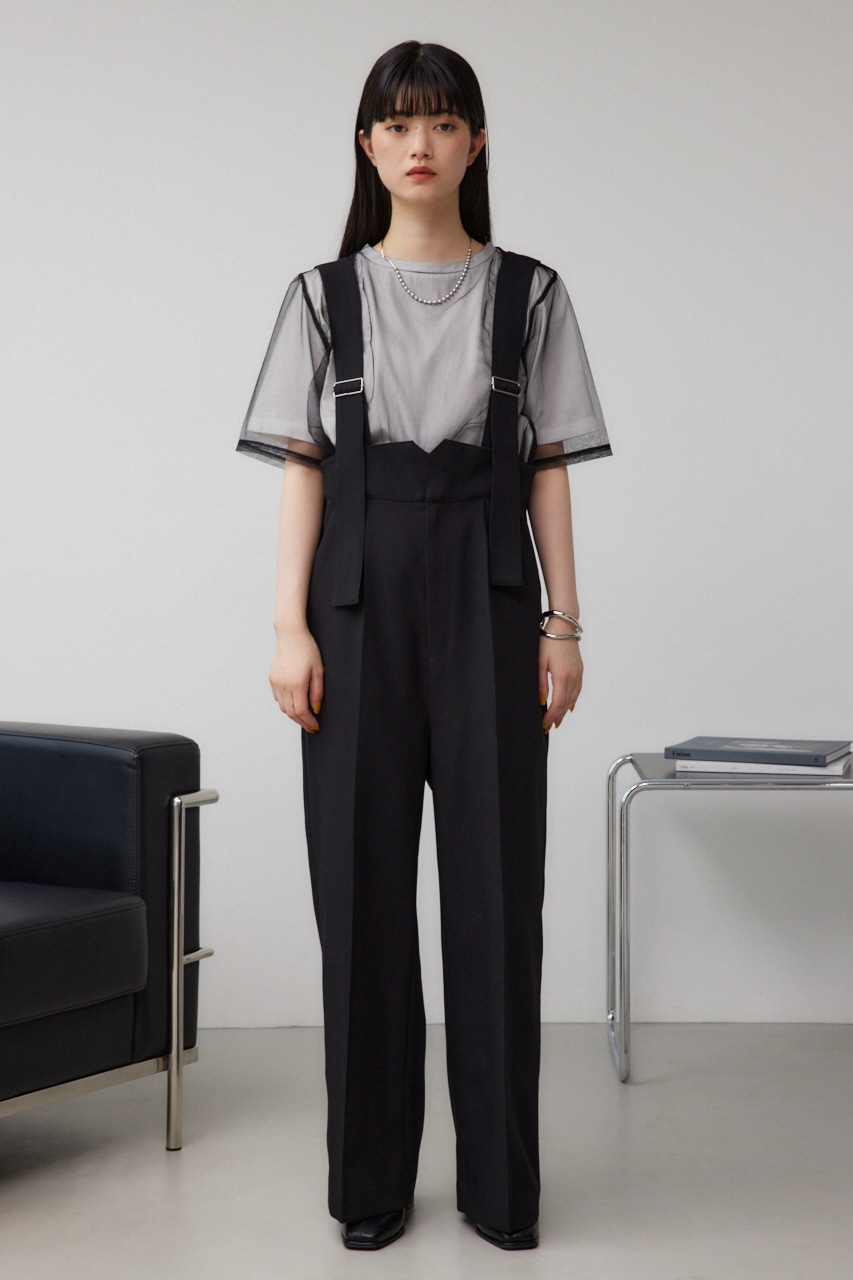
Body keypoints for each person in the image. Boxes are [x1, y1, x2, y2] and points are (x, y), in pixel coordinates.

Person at [237, 40, 611, 1252]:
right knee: (360, 899)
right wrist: (287, 624)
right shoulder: (322, 296)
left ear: (474, 143)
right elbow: (304, 469)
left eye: (443, 122)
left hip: (492, 602)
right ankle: (370, 1186)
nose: (419, 145)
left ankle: (501, 1188)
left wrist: (562, 619)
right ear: (366, 145)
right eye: (398, 125)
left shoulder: (529, 294)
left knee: (498, 897)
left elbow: (546, 465)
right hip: (353, 609)